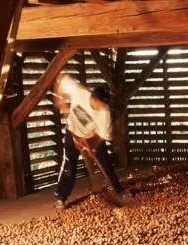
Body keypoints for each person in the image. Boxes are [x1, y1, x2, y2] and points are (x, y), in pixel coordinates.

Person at [52, 74, 132, 210]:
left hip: (92, 136)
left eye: (104, 105)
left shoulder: (104, 112)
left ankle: (119, 191)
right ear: (93, 98)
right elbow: (62, 78)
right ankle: (61, 197)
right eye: (99, 104)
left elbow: (101, 136)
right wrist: (60, 101)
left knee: (105, 164)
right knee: (68, 165)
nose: (101, 107)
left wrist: (89, 145)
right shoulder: (80, 92)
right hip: (72, 132)